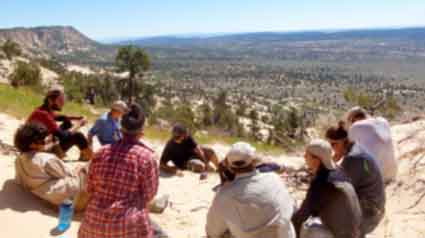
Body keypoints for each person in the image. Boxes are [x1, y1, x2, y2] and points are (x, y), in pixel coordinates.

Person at [79, 103, 167, 238]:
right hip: (126, 228)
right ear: (141, 132)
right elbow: (149, 195)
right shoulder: (147, 158)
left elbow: (89, 188)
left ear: (121, 128)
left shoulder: (100, 153)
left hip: (91, 225)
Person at [206, 142, 296, 238]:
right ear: (254, 161)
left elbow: (212, 232)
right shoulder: (274, 177)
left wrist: (225, 185)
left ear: (229, 166)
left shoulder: (225, 194)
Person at [292, 139, 362, 238]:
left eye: (307, 155)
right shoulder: (340, 171)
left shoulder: (322, 182)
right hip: (355, 231)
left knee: (307, 229)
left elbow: (302, 216)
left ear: (317, 160)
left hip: (342, 235)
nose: (304, 157)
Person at [325, 122, 385, 237]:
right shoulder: (357, 148)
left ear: (343, 141)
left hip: (370, 213)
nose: (332, 149)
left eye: (333, 144)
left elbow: (338, 190)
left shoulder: (352, 159)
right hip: (375, 207)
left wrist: (328, 165)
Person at [14, 123, 88, 211]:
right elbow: (68, 175)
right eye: (43, 139)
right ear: (32, 144)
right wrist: (79, 169)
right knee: (90, 165)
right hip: (71, 200)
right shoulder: (47, 160)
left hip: (44, 193)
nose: (47, 140)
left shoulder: (18, 159)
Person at [26, 85, 92, 161]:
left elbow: (60, 117)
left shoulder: (43, 110)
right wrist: (79, 124)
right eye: (60, 100)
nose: (63, 103)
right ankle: (90, 157)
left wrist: (78, 117)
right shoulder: (43, 114)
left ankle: (83, 153)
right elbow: (63, 136)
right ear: (51, 100)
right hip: (37, 152)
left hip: (36, 146)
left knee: (66, 122)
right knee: (78, 136)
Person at [346, 106, 398, 183]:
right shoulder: (383, 121)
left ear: (352, 120)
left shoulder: (355, 127)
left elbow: (348, 152)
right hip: (392, 174)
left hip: (375, 180)